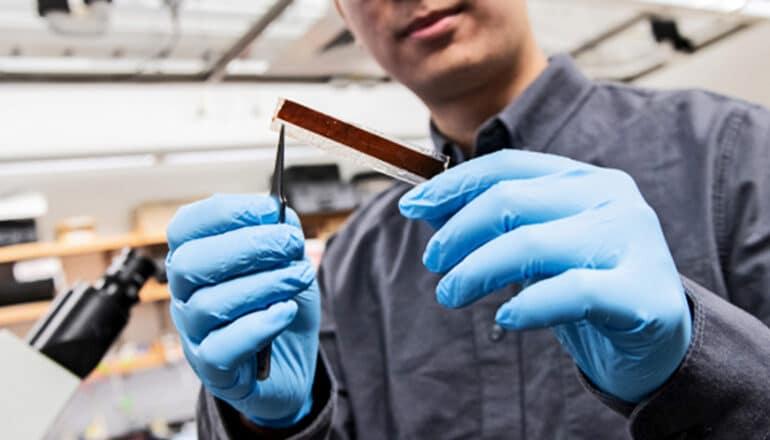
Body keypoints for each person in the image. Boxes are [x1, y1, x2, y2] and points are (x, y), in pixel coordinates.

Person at [165, 1, 770, 438]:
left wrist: (702, 372)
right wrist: (272, 427)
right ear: (344, 16)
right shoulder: (351, 265)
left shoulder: (737, 152)